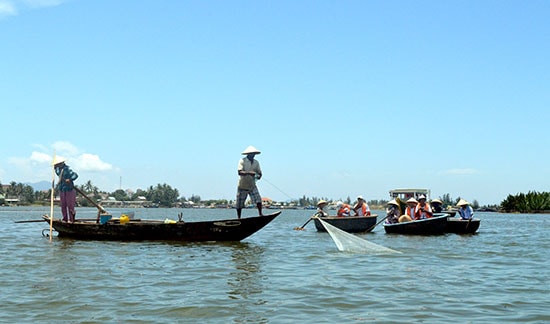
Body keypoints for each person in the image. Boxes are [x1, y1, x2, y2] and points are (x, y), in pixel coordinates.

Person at [236, 145, 263, 219]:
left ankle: (260, 214)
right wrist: (249, 173)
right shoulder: (242, 161)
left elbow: (259, 172)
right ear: (248, 154)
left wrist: (259, 176)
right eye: (252, 154)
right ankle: (239, 218)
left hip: (252, 185)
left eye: (254, 154)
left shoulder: (256, 162)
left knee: (258, 200)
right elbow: (239, 172)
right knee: (239, 204)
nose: (253, 155)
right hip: (242, 185)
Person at [53, 158, 78, 222]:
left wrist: (69, 179)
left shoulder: (67, 169)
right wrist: (55, 168)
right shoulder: (58, 169)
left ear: (61, 163)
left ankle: (71, 220)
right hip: (62, 189)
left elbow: (75, 175)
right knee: (63, 205)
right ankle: (65, 219)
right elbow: (57, 173)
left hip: (69, 189)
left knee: (70, 206)